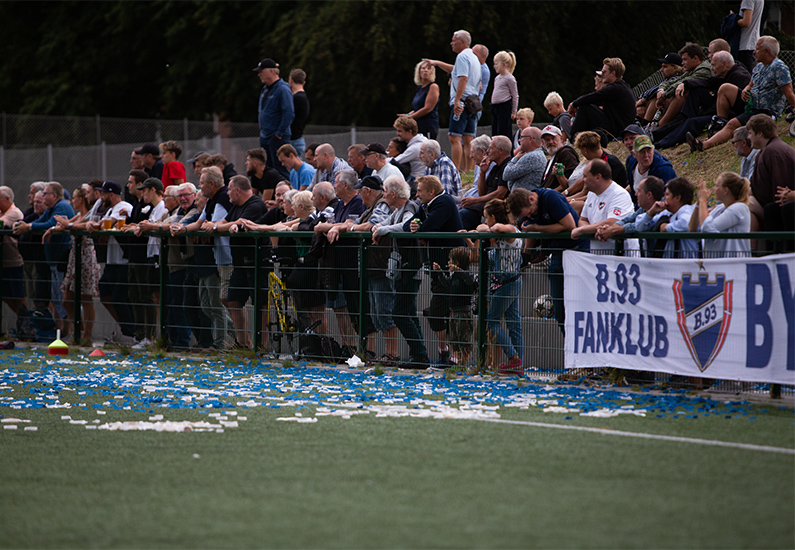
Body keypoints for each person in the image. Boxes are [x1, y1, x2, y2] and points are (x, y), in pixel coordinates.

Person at [688, 36, 795, 152]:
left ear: (766, 51)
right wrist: (746, 89)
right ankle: (719, 124)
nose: (754, 52)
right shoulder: (759, 66)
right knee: (725, 88)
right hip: (751, 104)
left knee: (732, 123)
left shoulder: (779, 68)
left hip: (764, 110)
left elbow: (789, 93)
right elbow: (751, 83)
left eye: (757, 49)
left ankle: (703, 145)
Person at [404, 175, 464, 366]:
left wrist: (420, 229)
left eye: (420, 190)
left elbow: (430, 226)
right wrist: (416, 226)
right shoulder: (426, 205)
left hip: (452, 267)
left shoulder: (443, 202)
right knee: (436, 312)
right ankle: (445, 350)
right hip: (437, 267)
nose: (417, 194)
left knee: (450, 310)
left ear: (431, 191)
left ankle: (453, 355)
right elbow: (409, 225)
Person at [508, 188, 586, 332]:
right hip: (556, 253)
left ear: (531, 199)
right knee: (559, 310)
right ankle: (568, 347)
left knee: (578, 305)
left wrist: (536, 227)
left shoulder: (550, 197)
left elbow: (569, 226)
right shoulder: (530, 207)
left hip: (577, 251)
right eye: (528, 215)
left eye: (531, 212)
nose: (532, 215)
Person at [371, 177, 428, 368]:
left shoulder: (409, 207)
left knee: (400, 312)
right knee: (408, 311)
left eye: (385, 191)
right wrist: (378, 228)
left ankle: (419, 354)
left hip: (410, 267)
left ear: (393, 193)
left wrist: (382, 230)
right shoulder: (397, 210)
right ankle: (419, 355)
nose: (383, 195)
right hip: (402, 268)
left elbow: (405, 226)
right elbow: (383, 224)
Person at [210, 175, 268, 349]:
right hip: (240, 263)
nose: (227, 193)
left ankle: (262, 346)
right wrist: (218, 226)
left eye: (229, 189)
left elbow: (239, 225)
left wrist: (221, 226)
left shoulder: (255, 205)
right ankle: (243, 342)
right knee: (233, 300)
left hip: (257, 262)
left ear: (237, 190)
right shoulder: (236, 206)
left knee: (261, 303)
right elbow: (223, 223)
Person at [13, 182, 75, 337]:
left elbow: (51, 224)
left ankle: (73, 332)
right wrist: (28, 224)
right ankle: (62, 333)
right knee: (56, 297)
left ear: (54, 195)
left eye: (45, 193)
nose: (42, 195)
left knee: (63, 298)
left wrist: (29, 227)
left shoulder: (61, 206)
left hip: (61, 258)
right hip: (53, 260)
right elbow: (41, 222)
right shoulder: (51, 209)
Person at [470, 199, 523, 376]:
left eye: (487, 218)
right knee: (514, 323)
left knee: (491, 321)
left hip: (507, 284)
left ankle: (514, 359)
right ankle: (518, 363)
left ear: (493, 217)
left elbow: (499, 229)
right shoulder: (505, 232)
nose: (485, 221)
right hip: (511, 281)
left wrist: (483, 230)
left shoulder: (509, 229)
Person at [45, 186, 101, 342]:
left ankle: (87, 335)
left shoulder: (88, 216)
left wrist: (66, 224)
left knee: (85, 297)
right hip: (74, 257)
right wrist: (52, 228)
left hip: (86, 256)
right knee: (67, 300)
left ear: (80, 200)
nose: (73, 201)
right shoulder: (77, 216)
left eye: (75, 198)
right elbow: (64, 224)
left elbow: (79, 226)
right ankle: (80, 331)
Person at [424, 30, 482, 171]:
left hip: (462, 102)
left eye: (453, 40)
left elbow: (462, 78)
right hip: (473, 103)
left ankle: (455, 170)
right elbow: (455, 70)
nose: (451, 43)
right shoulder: (473, 57)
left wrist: (457, 101)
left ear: (462, 42)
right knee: (469, 139)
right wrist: (437, 63)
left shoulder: (462, 57)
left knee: (454, 138)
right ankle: (469, 171)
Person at [95, 181, 135, 342]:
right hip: (112, 260)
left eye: (103, 194)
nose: (101, 197)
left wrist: (97, 227)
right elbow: (103, 234)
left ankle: (130, 332)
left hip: (123, 260)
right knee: (104, 293)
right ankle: (125, 328)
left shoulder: (123, 206)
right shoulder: (110, 209)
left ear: (111, 194)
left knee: (120, 297)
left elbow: (106, 226)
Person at [745, 113, 795, 236]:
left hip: (785, 203)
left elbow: (780, 189)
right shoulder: (765, 151)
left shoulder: (773, 151)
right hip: (774, 203)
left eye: (750, 133)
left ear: (760, 133)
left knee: (760, 207)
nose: (748, 137)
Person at [571, 160, 635, 254]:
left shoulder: (619, 194)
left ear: (597, 177)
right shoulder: (591, 194)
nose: (582, 180)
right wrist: (591, 229)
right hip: (598, 257)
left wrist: (582, 230)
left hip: (620, 257)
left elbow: (613, 222)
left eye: (585, 176)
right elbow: (583, 219)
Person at [596, 176, 667, 257]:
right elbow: (628, 219)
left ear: (649, 195)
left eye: (639, 191)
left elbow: (639, 225)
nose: (635, 194)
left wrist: (615, 230)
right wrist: (612, 228)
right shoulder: (642, 209)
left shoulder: (662, 210)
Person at [568, 57, 636, 143]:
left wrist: (574, 104)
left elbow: (592, 97)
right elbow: (595, 101)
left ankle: (572, 140)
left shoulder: (614, 88)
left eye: (604, 72)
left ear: (612, 73)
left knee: (584, 107)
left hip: (616, 130)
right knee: (586, 106)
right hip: (617, 126)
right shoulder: (622, 86)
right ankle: (580, 138)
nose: (602, 75)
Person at [430, 247, 475, 370]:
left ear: (457, 262)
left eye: (450, 260)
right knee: (454, 339)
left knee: (464, 339)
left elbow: (470, 281)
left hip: (464, 312)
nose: (448, 262)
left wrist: (458, 271)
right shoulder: (454, 275)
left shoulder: (467, 274)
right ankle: (456, 361)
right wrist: (439, 271)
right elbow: (446, 283)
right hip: (453, 311)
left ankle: (462, 363)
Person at [690, 173, 751, 257]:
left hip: (733, 265)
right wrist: (699, 203)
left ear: (726, 190)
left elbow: (707, 227)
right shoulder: (720, 208)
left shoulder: (739, 208)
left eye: (717, 185)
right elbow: (693, 229)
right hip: (716, 266)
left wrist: (703, 200)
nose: (714, 189)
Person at [460, 135, 511, 229]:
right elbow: (482, 193)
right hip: (486, 209)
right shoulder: (495, 167)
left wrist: (474, 200)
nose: (488, 151)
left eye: (491, 148)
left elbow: (500, 193)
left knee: (460, 209)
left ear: (501, 150)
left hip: (497, 211)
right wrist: (482, 172)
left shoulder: (507, 166)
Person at [255, 58, 294, 179]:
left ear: (271, 71)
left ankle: (286, 195)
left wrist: (279, 133)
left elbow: (289, 112)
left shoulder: (282, 89)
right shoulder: (266, 89)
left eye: (261, 71)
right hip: (266, 136)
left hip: (276, 137)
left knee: (280, 169)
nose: (259, 74)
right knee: (268, 170)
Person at [564, 130, 627, 202]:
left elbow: (599, 193)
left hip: (614, 199)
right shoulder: (597, 160)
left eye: (580, 150)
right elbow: (584, 188)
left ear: (585, 150)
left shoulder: (610, 162)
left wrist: (570, 200)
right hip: (600, 198)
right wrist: (566, 197)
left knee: (574, 205)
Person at [644, 177, 699, 258]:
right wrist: (651, 212)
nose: (664, 198)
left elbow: (686, 223)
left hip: (686, 265)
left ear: (677, 198)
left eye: (667, 194)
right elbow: (640, 225)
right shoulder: (667, 212)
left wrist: (666, 227)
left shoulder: (686, 210)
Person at [0, 186, 26, 322]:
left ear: (7, 199)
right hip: (4, 262)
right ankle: (22, 319)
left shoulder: (14, 213)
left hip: (14, 261)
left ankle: (25, 321)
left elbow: (2, 224)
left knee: (18, 294)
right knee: (5, 294)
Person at [626, 135, 677, 203]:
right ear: (634, 154)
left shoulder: (664, 170)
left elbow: (665, 199)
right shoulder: (632, 164)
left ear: (653, 151)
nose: (646, 155)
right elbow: (633, 193)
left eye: (649, 150)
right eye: (642, 152)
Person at [503, 126, 545, 192]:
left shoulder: (532, 156)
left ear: (530, 139)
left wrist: (515, 158)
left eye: (521, 137)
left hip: (524, 199)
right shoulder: (535, 154)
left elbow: (506, 174)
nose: (519, 140)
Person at [405, 60, 440, 140]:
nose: (425, 70)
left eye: (428, 68)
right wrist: (406, 116)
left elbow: (428, 108)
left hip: (429, 125)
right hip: (418, 125)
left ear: (432, 72)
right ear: (419, 71)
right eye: (423, 68)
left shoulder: (433, 87)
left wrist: (410, 117)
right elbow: (417, 108)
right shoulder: (419, 88)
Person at [539, 125, 579, 191]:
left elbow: (572, 182)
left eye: (553, 138)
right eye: (547, 139)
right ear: (543, 142)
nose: (551, 142)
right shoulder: (550, 160)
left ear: (561, 138)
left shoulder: (566, 153)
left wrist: (549, 194)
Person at [490, 50, 519, 139]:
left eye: (496, 64)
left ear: (504, 64)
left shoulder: (510, 78)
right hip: (495, 107)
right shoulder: (497, 78)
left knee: (503, 132)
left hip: (504, 107)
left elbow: (515, 95)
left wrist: (514, 111)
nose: (495, 66)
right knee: (495, 132)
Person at [737, 0, 765, 72]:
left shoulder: (747, 0)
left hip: (745, 45)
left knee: (744, 77)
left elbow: (746, 22)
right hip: (753, 43)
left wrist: (733, 19)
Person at [288, 68, 309, 159]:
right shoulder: (304, 97)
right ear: (303, 82)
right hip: (298, 138)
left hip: (293, 141)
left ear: (291, 80)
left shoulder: (296, 99)